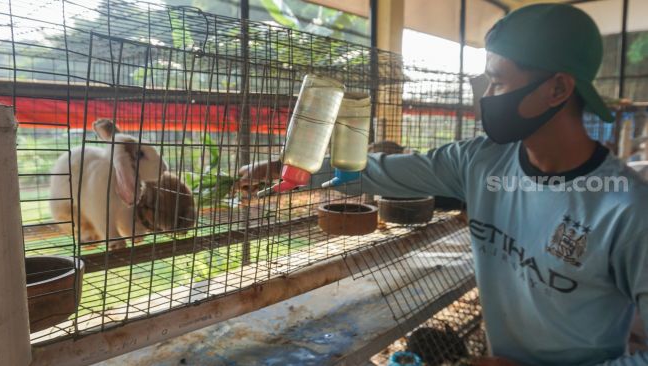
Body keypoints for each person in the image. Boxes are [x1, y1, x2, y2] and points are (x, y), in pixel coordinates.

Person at [238, 4, 648, 365]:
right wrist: (289, 166)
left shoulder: (627, 209)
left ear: (558, 88)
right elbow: (378, 171)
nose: (488, 96)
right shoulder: (481, 160)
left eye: (499, 81)